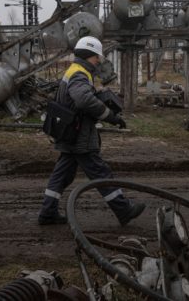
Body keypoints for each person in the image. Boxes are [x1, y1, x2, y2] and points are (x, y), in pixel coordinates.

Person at [38, 36, 145, 226]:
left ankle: (48, 212)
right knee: (101, 173)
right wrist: (111, 116)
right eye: (97, 57)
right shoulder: (80, 73)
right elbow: (83, 100)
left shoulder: (74, 70)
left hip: (69, 133)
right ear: (89, 55)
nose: (98, 61)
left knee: (62, 175)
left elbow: (78, 99)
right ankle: (124, 210)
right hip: (80, 136)